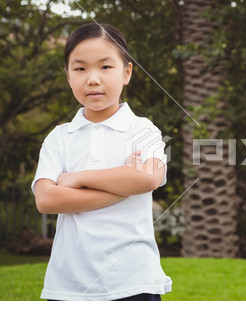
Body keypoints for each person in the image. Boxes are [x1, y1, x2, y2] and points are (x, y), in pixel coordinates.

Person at [31, 23, 172, 301]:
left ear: (127, 72)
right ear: (68, 76)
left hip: (134, 282)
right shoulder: (59, 137)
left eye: (106, 67)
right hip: (67, 286)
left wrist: (77, 179)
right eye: (80, 68)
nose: (93, 79)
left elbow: (148, 178)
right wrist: (122, 182)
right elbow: (46, 200)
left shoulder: (142, 129)